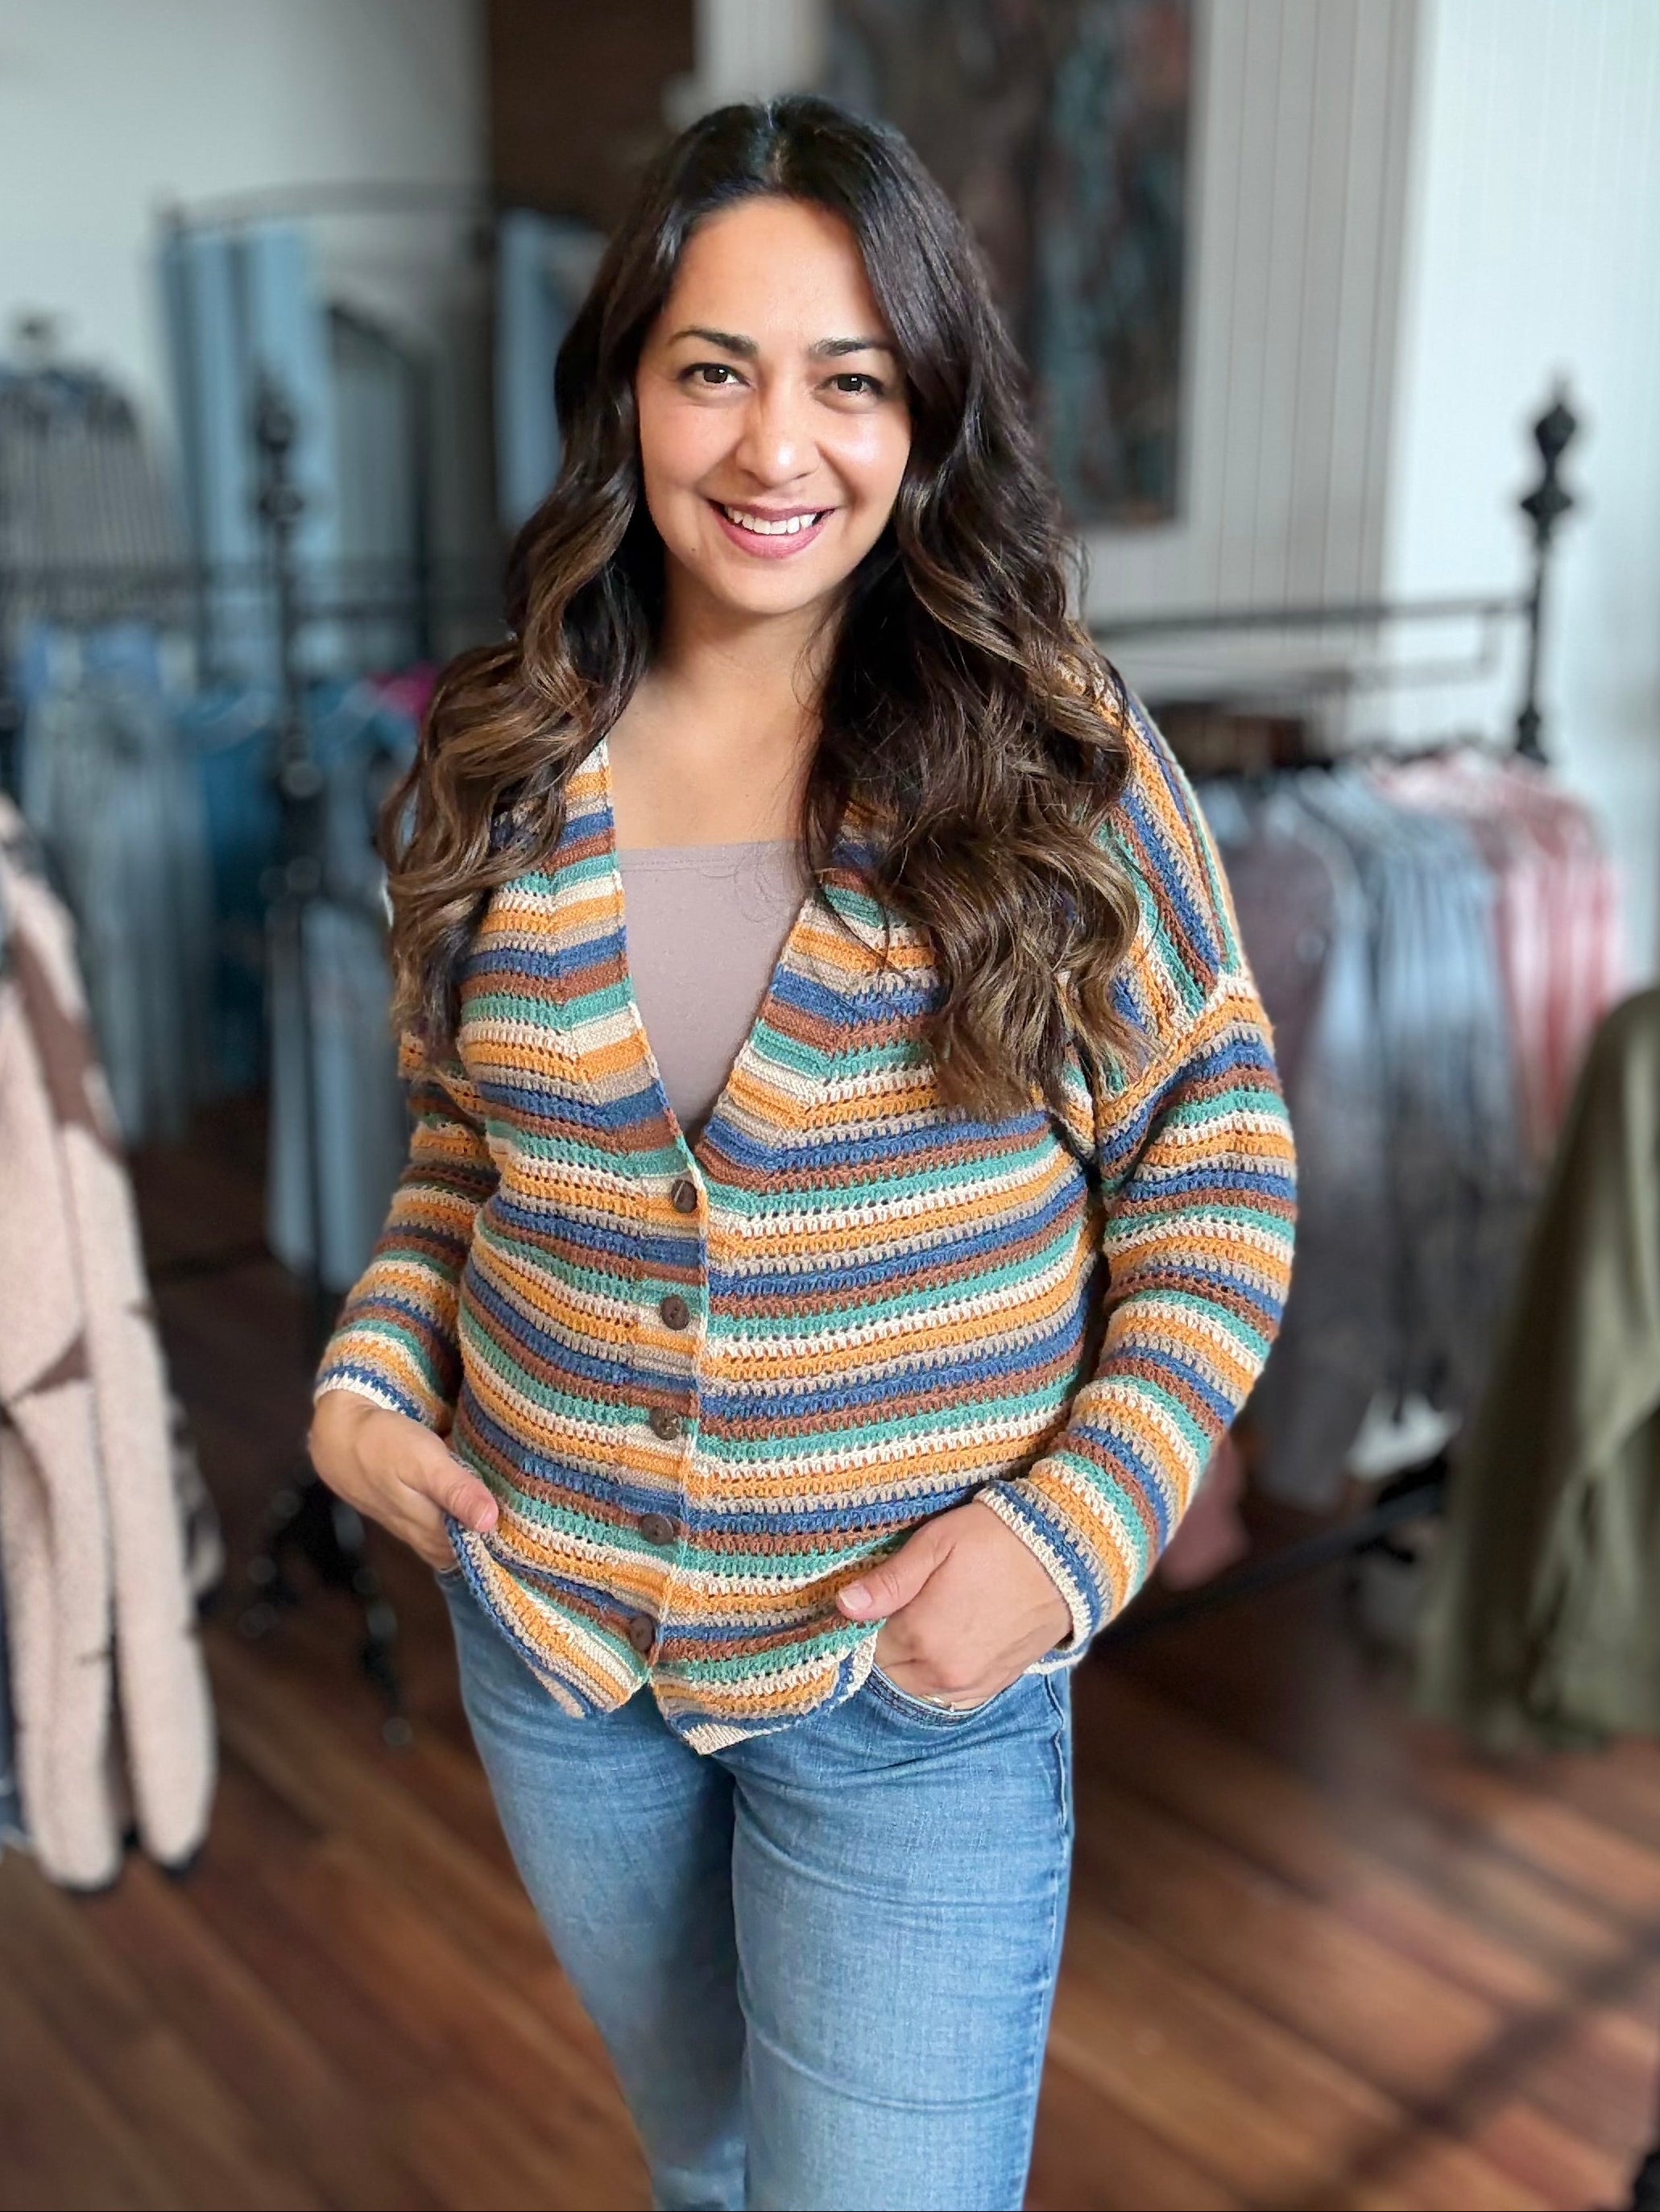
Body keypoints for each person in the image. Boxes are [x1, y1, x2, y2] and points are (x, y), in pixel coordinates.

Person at [308, 93, 1295, 2212]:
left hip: (909, 1680)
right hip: (558, 1643)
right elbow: (471, 1161)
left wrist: (1073, 1533)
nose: (778, 447)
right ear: (628, 393)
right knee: (710, 2161)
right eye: (715, 369)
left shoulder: (1057, 759)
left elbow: (1219, 1165)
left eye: (851, 380)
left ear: (928, 412)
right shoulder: (500, 754)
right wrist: (373, 1366)